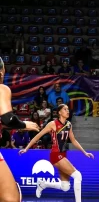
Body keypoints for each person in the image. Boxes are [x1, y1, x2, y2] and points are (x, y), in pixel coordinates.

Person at [19, 104, 94, 202]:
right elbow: (38, 136)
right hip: (55, 155)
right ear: (59, 112)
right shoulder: (52, 124)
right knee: (77, 175)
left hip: (63, 155)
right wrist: (26, 148)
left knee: (65, 187)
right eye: (65, 109)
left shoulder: (68, 124)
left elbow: (74, 140)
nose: (67, 111)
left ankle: (43, 184)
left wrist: (85, 152)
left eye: (68, 109)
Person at [0, 57, 40, 202]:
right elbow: (8, 119)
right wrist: (24, 125)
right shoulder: (1, 89)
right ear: (2, 71)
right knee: (10, 199)